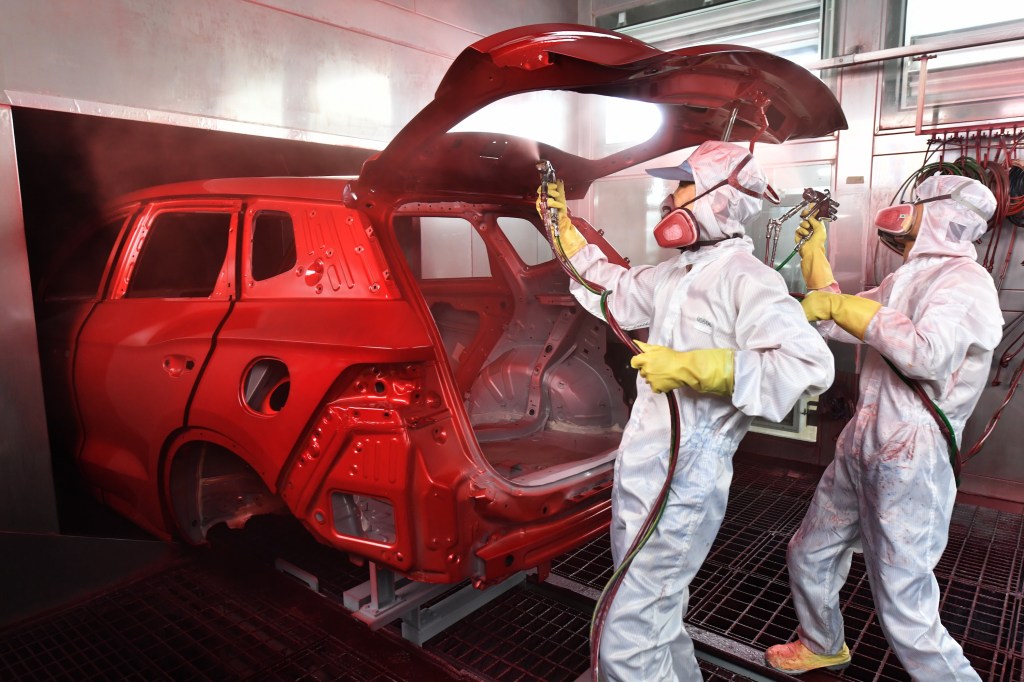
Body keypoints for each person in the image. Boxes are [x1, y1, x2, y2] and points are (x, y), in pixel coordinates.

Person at [539, 140, 835, 682]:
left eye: (680, 186)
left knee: (628, 630)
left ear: (717, 199)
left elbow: (808, 363)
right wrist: (561, 229)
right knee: (655, 608)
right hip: (647, 468)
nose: (667, 199)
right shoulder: (677, 275)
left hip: (686, 480)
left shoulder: (748, 279)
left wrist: (698, 368)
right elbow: (611, 288)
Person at [764, 174, 1003, 680]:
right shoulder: (904, 279)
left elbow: (926, 354)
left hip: (913, 451)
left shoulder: (966, 282)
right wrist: (815, 254)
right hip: (864, 438)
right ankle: (823, 643)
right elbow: (838, 320)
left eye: (915, 206)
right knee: (810, 551)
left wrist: (843, 307)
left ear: (939, 215)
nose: (903, 215)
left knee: (901, 594)